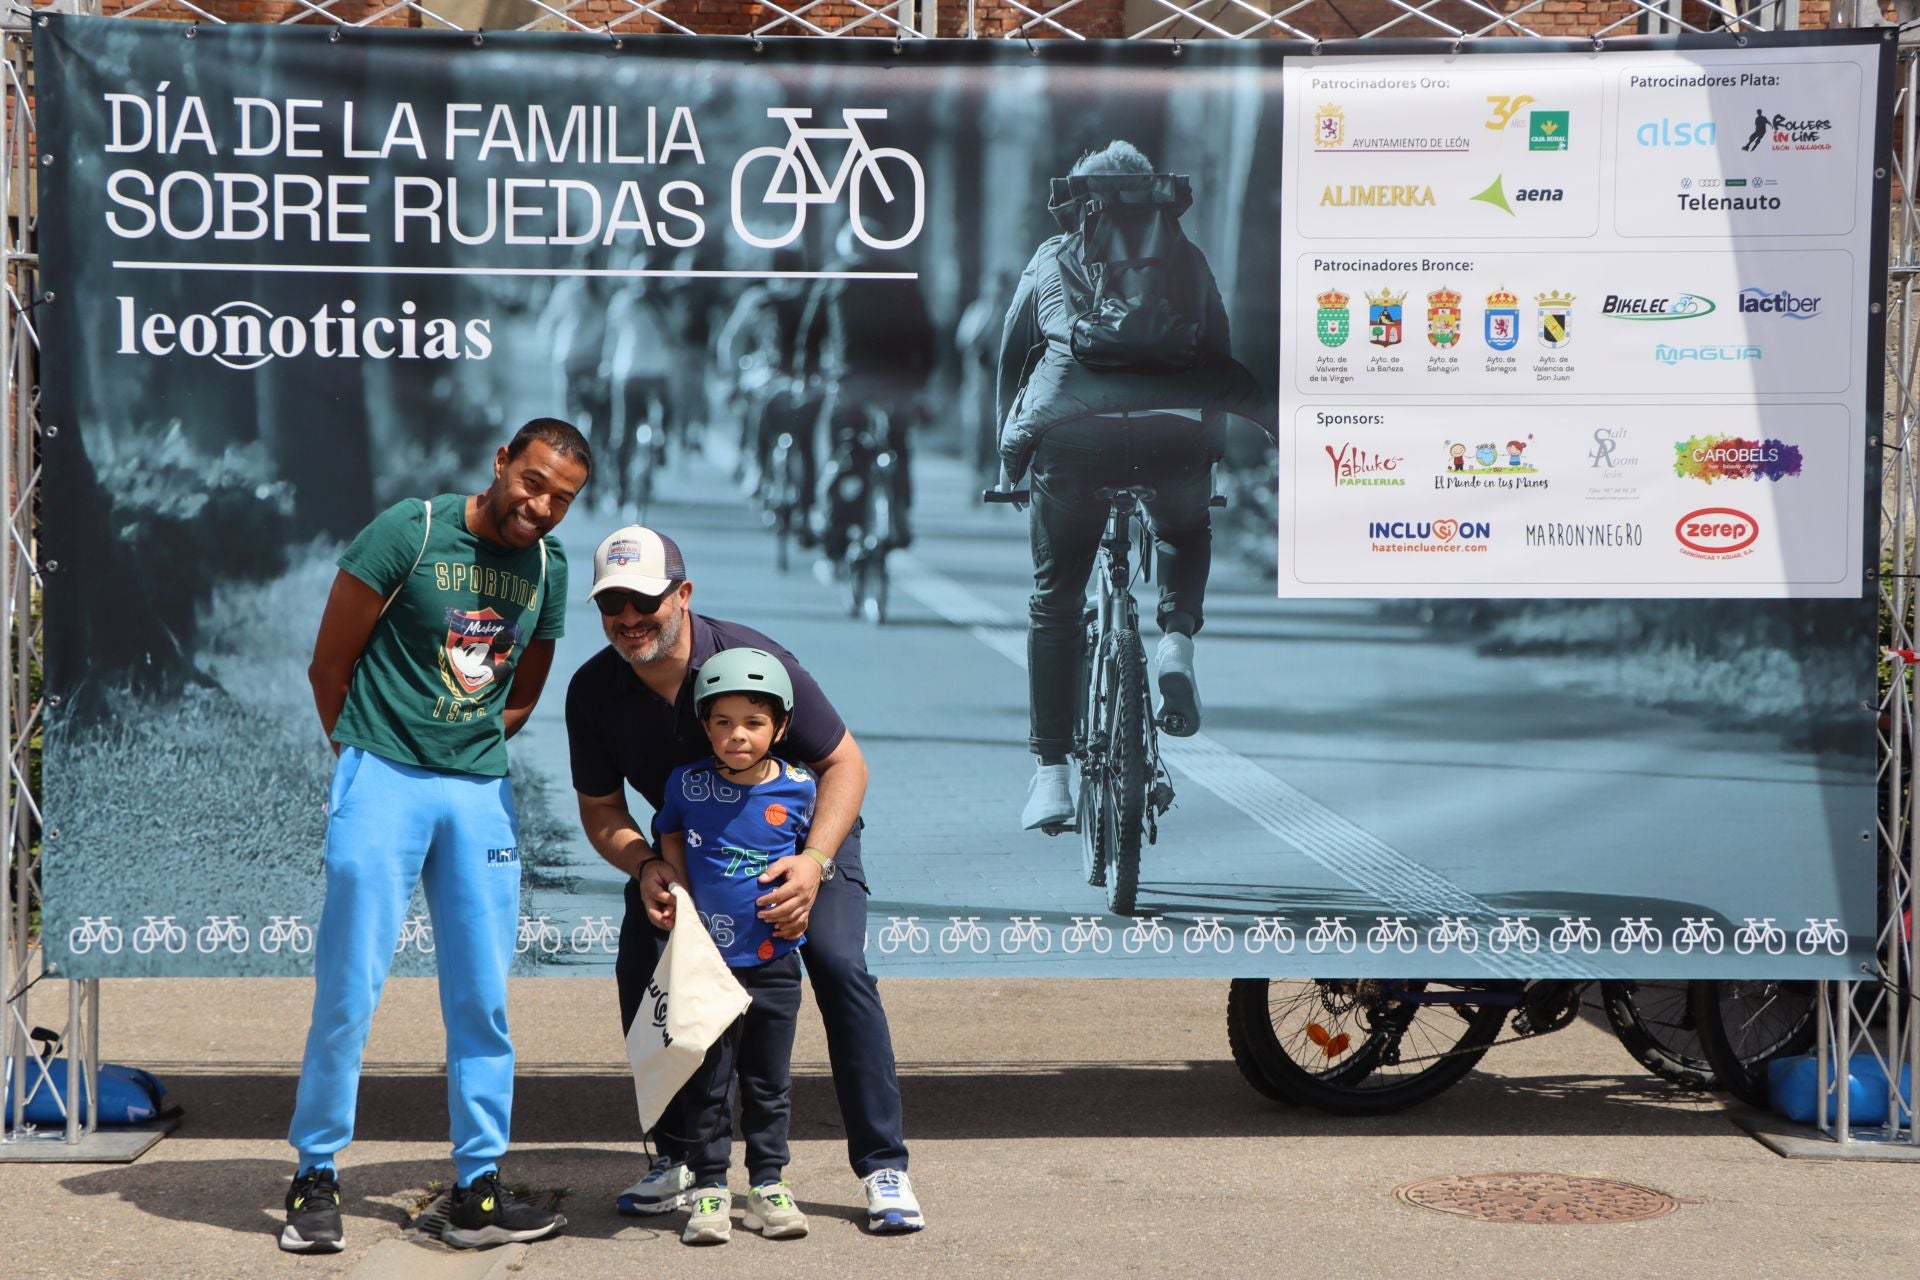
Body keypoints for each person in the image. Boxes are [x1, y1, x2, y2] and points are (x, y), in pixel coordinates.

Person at [280, 419, 591, 1255]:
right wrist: (367, 759)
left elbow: (522, 687)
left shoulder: (547, 568)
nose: (542, 505)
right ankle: (315, 1174)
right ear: (500, 464)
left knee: (482, 1000)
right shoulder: (410, 530)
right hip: (383, 776)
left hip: (478, 794)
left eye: (562, 498)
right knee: (350, 989)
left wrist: (470, 741)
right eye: (532, 482)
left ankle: (478, 1189)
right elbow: (328, 664)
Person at [564, 523, 925, 1233]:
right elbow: (603, 810)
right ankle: (676, 1158)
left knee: (837, 962)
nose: (630, 620)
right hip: (692, 853)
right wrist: (648, 866)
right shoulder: (593, 690)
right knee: (646, 958)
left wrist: (814, 864)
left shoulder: (753, 661)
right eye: (614, 606)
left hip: (801, 842)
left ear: (684, 594)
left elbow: (846, 764)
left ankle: (884, 1168)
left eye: (647, 602)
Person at [996, 140, 1268, 831]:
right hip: (1172, 435)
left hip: (1071, 438)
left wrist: (1006, 460)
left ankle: (1052, 776)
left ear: (1080, 199)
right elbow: (1218, 349)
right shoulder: (1185, 257)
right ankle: (1175, 639)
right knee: (1183, 525)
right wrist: (1214, 450)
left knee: (1056, 602)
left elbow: (1011, 350)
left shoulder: (1053, 254)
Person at [649, 647, 816, 1245]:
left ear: (781, 727)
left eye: (753, 722)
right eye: (721, 722)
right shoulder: (687, 784)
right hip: (707, 966)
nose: (736, 736)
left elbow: (813, 855)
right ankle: (713, 1188)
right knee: (710, 1081)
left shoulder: (801, 788)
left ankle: (768, 1184)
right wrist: (682, 893)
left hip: (774, 965)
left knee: (769, 1082)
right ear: (704, 726)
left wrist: (809, 873)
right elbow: (668, 828)